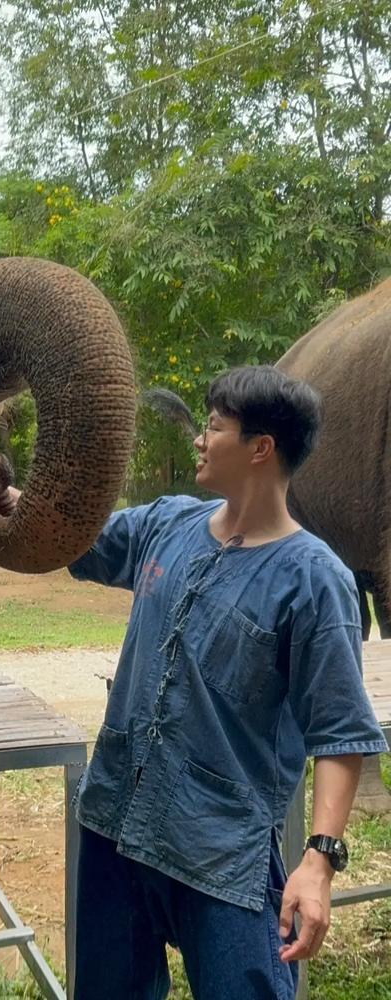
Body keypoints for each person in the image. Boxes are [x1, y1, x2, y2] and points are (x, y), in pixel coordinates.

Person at [66, 365, 387, 1000]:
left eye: (214, 427)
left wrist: (319, 861)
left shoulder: (315, 580)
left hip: (219, 853)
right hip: (114, 824)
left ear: (260, 449)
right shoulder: (170, 522)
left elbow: (342, 733)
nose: (199, 439)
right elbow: (68, 536)